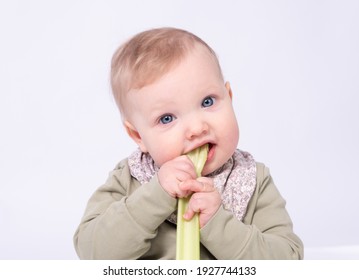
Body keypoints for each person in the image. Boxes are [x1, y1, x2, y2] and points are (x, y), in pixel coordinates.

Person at [73, 27, 303, 260]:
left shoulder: (252, 180)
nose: (196, 129)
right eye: (167, 118)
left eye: (207, 101)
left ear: (229, 98)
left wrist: (218, 223)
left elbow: (289, 260)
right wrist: (154, 196)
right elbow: (92, 252)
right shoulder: (131, 178)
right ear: (138, 136)